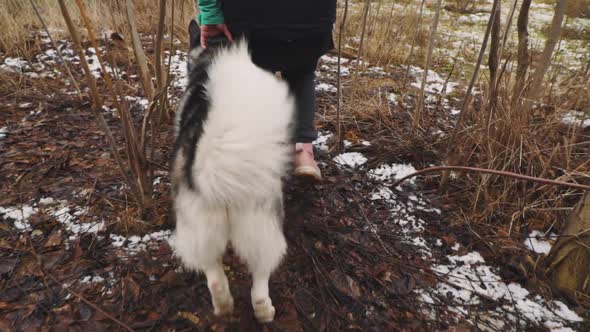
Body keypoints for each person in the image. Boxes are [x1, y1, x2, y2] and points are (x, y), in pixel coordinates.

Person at [189, 0, 337, 181]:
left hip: (253, 20)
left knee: (257, 77)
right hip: (314, 18)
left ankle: (258, 152)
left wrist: (211, 16)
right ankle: (303, 153)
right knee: (302, 74)